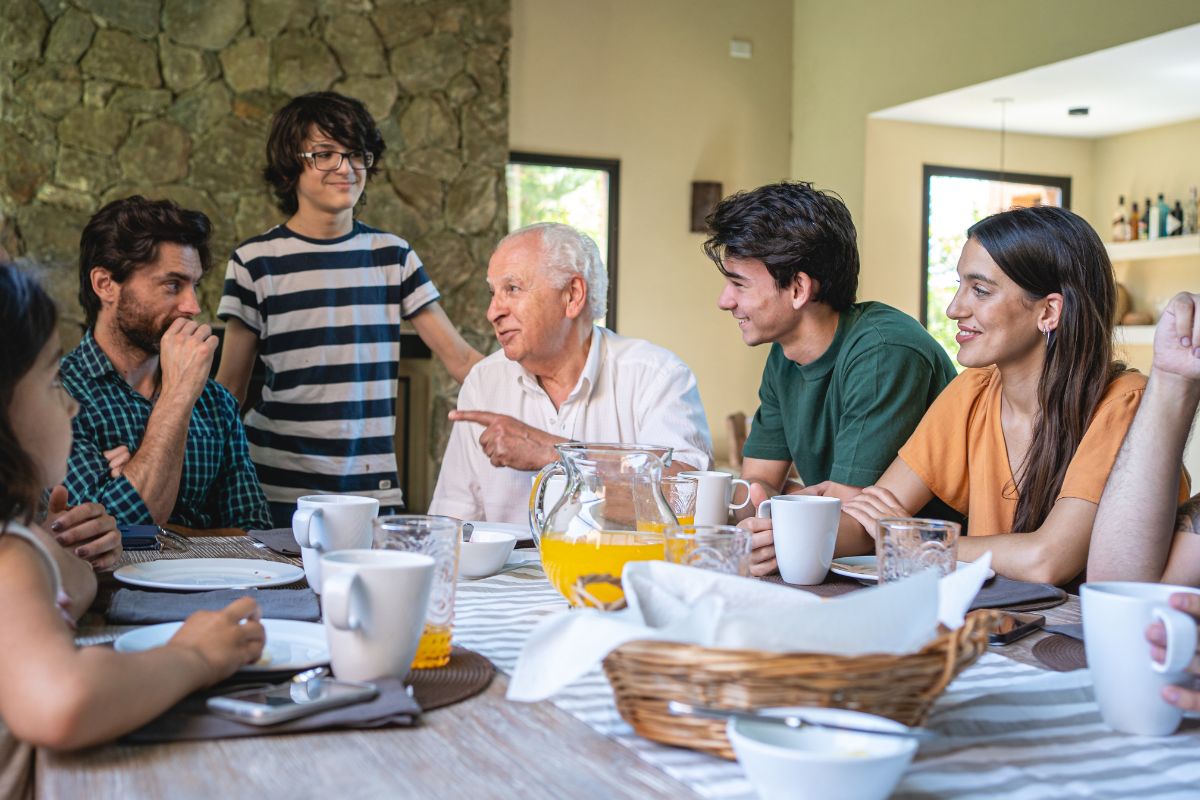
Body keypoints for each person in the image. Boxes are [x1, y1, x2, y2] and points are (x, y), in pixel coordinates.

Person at [0, 262, 265, 799]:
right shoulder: (11, 556)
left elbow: (253, 528)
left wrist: (60, 544)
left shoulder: (24, 542)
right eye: (51, 382)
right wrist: (196, 656)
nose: (67, 400)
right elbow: (63, 703)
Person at [824, 206, 1189, 586]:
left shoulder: (1123, 404)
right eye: (960, 285)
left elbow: (1046, 560)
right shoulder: (971, 392)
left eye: (980, 290)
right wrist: (786, 533)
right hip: (995, 629)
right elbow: (870, 523)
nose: (953, 309)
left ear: (1049, 312)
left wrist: (916, 539)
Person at [216, 92, 482, 527]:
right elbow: (229, 389)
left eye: (356, 154)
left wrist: (543, 392)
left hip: (370, 492)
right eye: (324, 154)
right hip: (274, 492)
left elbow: (463, 360)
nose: (346, 167)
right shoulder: (253, 261)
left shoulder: (393, 256)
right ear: (290, 168)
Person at [708, 182, 958, 577]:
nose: (725, 300)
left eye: (739, 283)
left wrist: (788, 504)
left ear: (798, 288)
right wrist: (795, 504)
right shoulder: (784, 353)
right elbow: (756, 486)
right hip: (847, 569)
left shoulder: (884, 350)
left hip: (931, 574)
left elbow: (853, 526)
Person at [428, 222, 712, 524]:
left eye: (512, 289)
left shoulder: (657, 376)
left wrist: (554, 454)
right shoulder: (484, 383)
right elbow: (453, 521)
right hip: (504, 572)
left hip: (621, 570)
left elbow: (691, 501)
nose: (493, 312)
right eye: (493, 292)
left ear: (572, 295)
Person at [62, 196, 270, 531]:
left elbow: (255, 536)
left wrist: (141, 503)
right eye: (172, 284)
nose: (192, 306)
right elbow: (87, 540)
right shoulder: (59, 396)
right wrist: (177, 396)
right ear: (105, 285)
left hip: (217, 585)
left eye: (195, 285)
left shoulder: (215, 402)